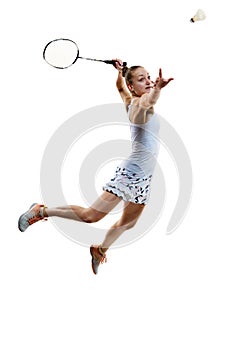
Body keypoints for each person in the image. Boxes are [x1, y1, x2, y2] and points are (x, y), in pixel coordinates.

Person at [18, 60, 173, 274]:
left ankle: (99, 250)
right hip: (131, 174)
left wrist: (120, 72)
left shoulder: (129, 98)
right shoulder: (138, 106)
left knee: (128, 223)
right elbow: (146, 104)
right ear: (132, 87)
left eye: (148, 77)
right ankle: (41, 210)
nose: (148, 81)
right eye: (141, 79)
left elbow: (119, 87)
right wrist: (156, 91)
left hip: (144, 179)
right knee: (92, 216)